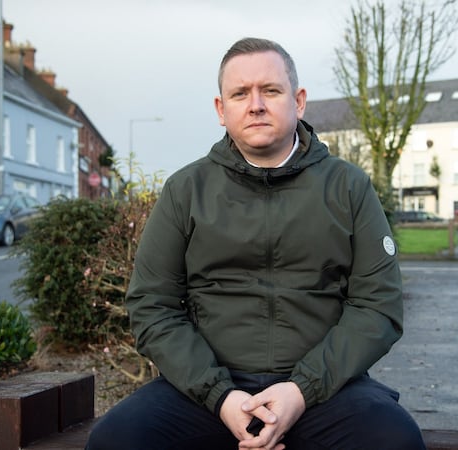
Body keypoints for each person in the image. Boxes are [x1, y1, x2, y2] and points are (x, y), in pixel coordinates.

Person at [86, 37, 426, 450]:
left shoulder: (348, 188)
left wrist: (300, 391)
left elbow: (378, 306)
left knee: (394, 440)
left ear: (298, 101)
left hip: (325, 390)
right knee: (116, 441)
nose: (256, 104)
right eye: (240, 93)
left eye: (270, 90)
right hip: (208, 391)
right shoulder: (185, 191)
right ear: (220, 109)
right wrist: (221, 397)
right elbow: (151, 306)